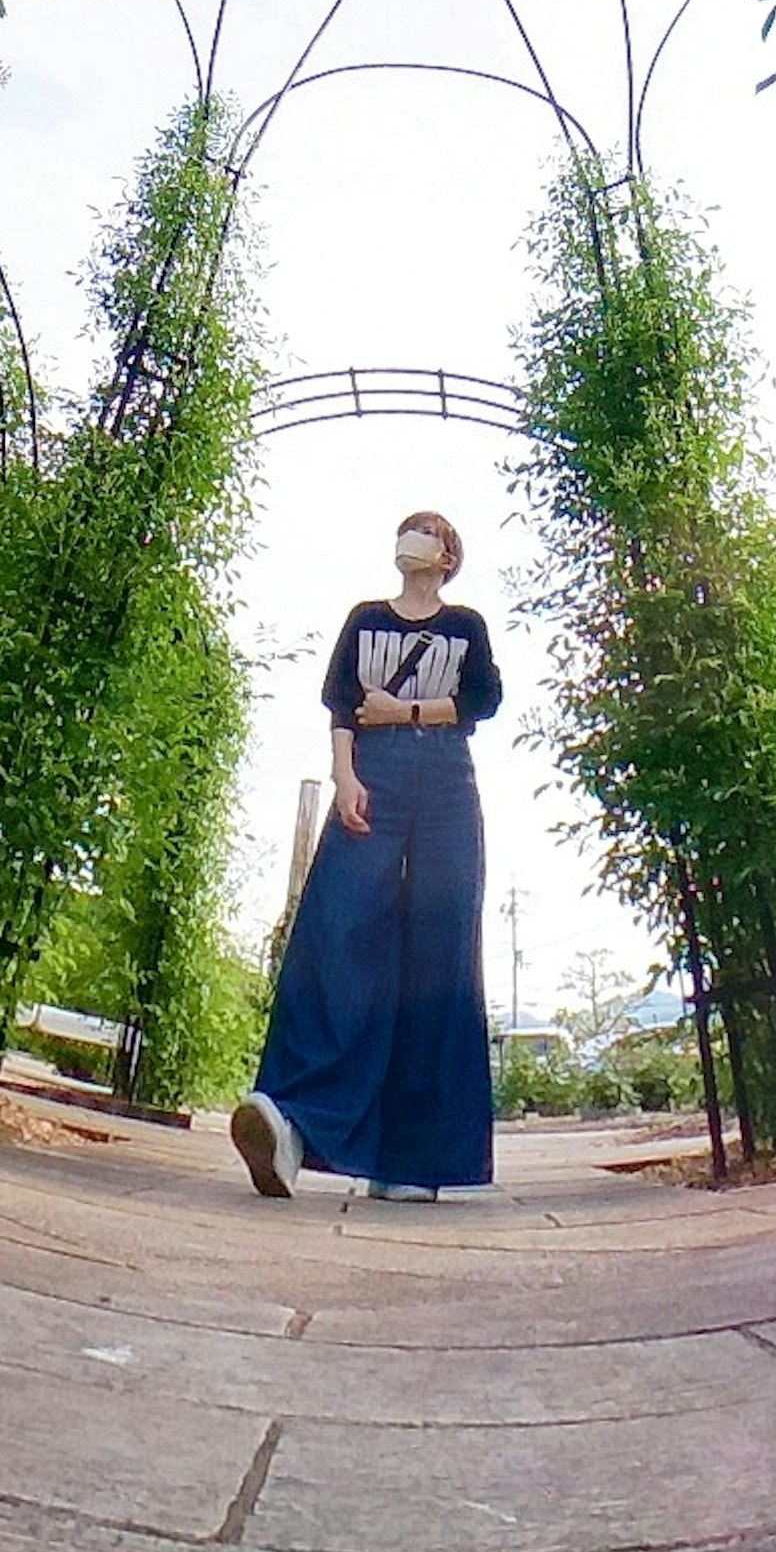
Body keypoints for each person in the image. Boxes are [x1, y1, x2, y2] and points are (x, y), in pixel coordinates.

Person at [231, 510, 503, 1200]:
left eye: (427, 532)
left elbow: (483, 699)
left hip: (445, 781)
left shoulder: (464, 624)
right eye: (405, 529)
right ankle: (291, 1120)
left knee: (439, 949)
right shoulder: (364, 617)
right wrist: (346, 774)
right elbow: (343, 706)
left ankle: (416, 1158)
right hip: (371, 775)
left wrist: (405, 712)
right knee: (339, 927)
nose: (411, 538)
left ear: (446, 555)